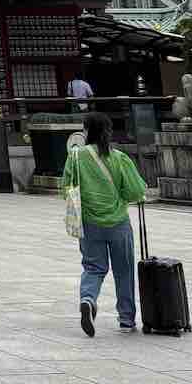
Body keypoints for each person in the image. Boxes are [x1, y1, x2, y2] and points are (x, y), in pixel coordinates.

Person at [63, 110, 148, 335]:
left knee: (93, 267)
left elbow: (67, 188)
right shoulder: (119, 158)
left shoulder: (75, 157)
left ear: (88, 131)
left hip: (89, 223)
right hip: (118, 222)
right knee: (124, 270)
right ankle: (127, 320)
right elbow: (136, 190)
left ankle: (88, 299)